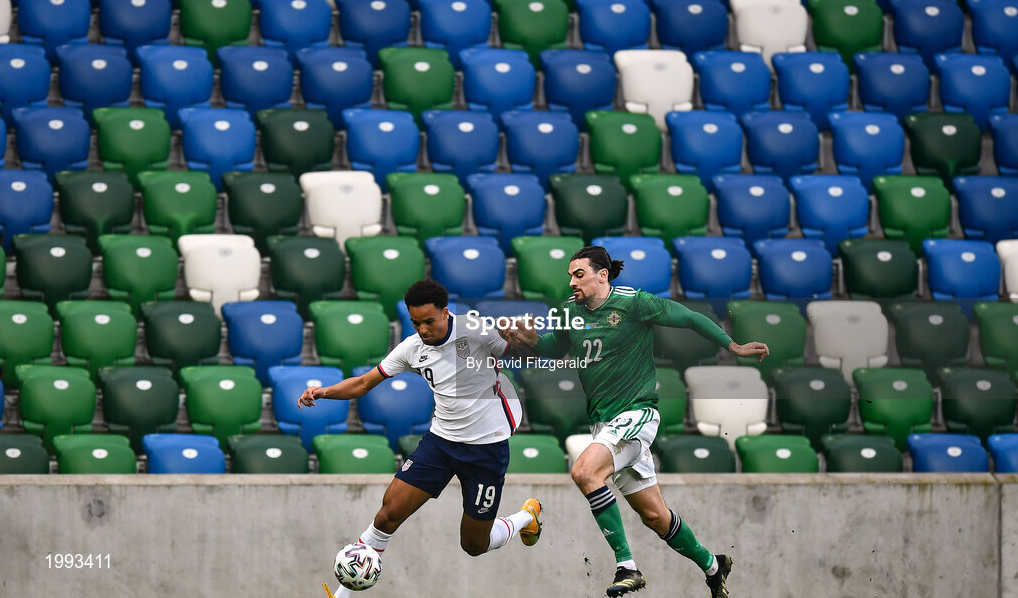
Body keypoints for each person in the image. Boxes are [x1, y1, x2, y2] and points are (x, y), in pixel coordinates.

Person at [501, 246, 769, 598]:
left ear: (603, 275)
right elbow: (556, 346)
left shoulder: (633, 303)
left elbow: (688, 317)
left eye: (578, 274)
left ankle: (627, 565)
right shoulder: (570, 311)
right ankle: (713, 565)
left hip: (636, 413)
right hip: (604, 424)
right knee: (656, 517)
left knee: (584, 472)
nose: (572, 281)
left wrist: (730, 345)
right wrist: (530, 340)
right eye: (570, 275)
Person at [298, 279, 542, 597]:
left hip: (486, 447)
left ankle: (527, 515)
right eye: (416, 323)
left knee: (473, 544)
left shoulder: (477, 330)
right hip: (440, 443)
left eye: (429, 321)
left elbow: (529, 358)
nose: (423, 329)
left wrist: (530, 340)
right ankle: (342, 595)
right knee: (388, 514)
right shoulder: (412, 348)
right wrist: (323, 391)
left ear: (445, 312)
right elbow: (362, 384)